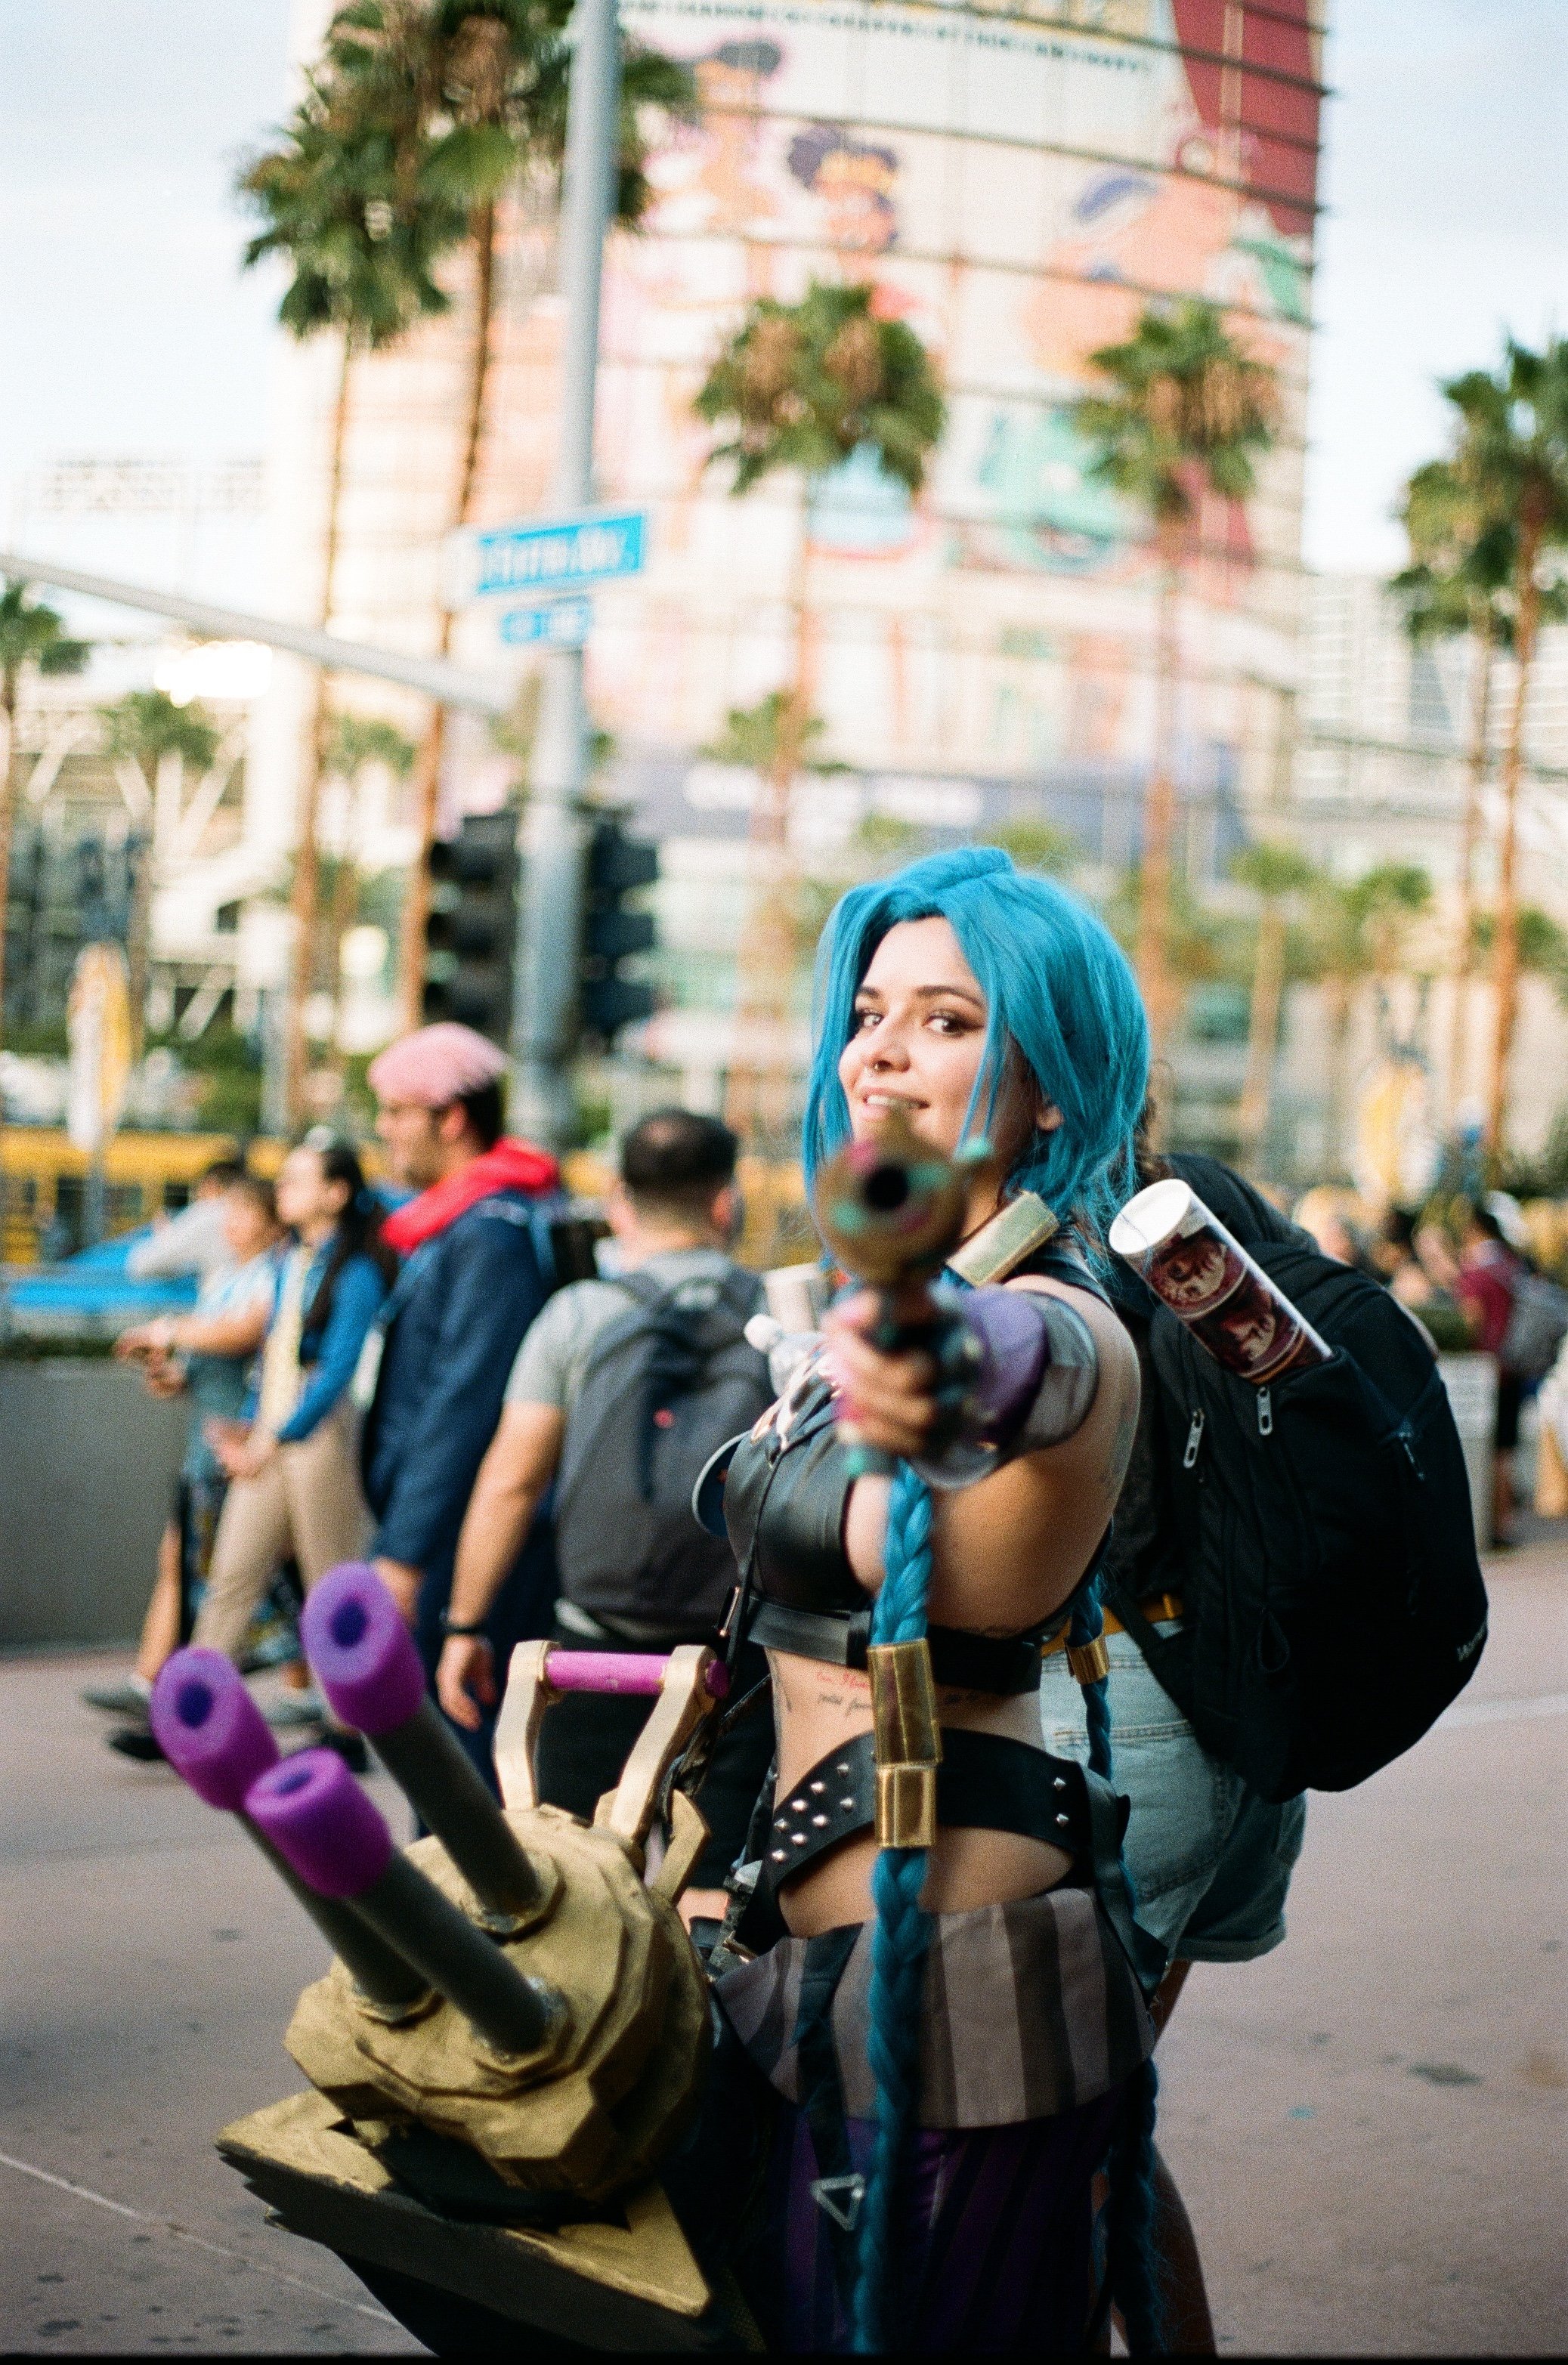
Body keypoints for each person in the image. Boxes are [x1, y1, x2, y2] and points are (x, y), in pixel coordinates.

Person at [706, 849, 1161, 2354]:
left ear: (1045, 1086)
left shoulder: (1051, 1309)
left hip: (951, 1997)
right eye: (869, 1008)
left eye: (948, 1018)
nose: (881, 1048)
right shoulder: (885, 1296)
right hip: (816, 1959)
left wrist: (962, 1359)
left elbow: (1044, 1370)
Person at [438, 1108, 775, 1928]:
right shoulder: (780, 1315)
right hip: (731, 1655)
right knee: (712, 1895)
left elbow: (512, 1479)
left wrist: (466, 1623)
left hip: (593, 1646)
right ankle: (709, 2046)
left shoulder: (576, 1315)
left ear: (619, 1201)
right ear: (724, 1202)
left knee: (576, 1894)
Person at [360, 1022, 561, 1770]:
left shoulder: (489, 1234)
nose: (383, 1131)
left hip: (465, 1542)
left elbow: (462, 1403)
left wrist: (405, 1556)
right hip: (451, 1530)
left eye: (395, 1112)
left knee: (459, 1767)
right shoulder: (465, 1222)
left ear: (449, 1118)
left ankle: (465, 1895)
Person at [190, 1140, 396, 1727]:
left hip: (319, 1439)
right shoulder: (290, 1261)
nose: (283, 1189)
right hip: (275, 1436)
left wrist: (274, 1436)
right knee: (232, 1573)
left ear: (337, 1193)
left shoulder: (356, 1270)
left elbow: (338, 1369)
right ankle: (194, 1714)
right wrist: (257, 1428)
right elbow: (273, 1355)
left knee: (330, 1582)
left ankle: (345, 1723)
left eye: (297, 1181)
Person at [85, 1174, 283, 1748]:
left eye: (244, 1212)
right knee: (201, 1569)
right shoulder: (225, 1280)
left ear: (271, 1223)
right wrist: (165, 1368)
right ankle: (176, 1699)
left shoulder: (271, 1277)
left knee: (231, 1581)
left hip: (240, 1451)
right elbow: (195, 1369)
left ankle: (187, 1705)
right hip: (211, 1448)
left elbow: (242, 1335)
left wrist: (169, 1330)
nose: (228, 1222)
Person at [125, 1155, 246, 1285]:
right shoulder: (253, 1216)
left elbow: (142, 1264)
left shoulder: (207, 1213)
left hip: (222, 1301)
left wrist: (166, 1235)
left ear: (211, 1184)